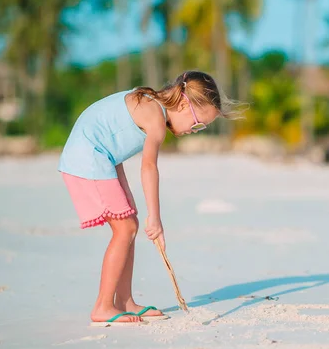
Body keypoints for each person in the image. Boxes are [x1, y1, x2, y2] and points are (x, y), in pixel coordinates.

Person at [58, 70, 237, 325]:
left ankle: (124, 301)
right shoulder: (155, 116)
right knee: (126, 228)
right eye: (198, 124)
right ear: (185, 104)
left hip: (101, 156)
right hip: (88, 156)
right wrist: (156, 218)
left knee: (129, 222)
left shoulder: (150, 104)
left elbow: (111, 140)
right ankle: (103, 305)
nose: (195, 130)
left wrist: (128, 196)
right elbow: (148, 167)